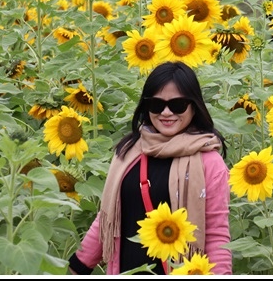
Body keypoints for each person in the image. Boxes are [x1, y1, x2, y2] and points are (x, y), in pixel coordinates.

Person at [68, 62, 232, 275]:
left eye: (178, 105)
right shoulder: (129, 152)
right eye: (156, 104)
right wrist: (77, 266)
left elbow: (216, 234)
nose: (166, 112)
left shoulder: (208, 162)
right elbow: (108, 219)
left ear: (194, 106)